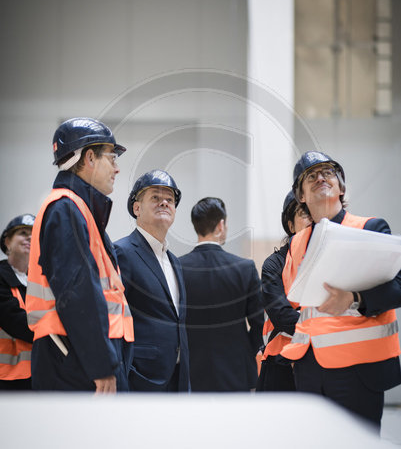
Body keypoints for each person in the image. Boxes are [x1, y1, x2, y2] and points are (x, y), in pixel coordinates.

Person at [279, 151, 401, 428]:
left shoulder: (369, 228)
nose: (320, 177)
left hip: (359, 368)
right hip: (309, 368)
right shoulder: (297, 243)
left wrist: (355, 299)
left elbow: (398, 286)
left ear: (342, 187)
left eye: (328, 172)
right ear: (301, 196)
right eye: (310, 176)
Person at [26, 118, 134, 392]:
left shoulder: (78, 211)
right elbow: (78, 293)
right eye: (111, 158)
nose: (117, 168)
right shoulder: (66, 210)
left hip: (78, 357)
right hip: (75, 363)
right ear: (89, 158)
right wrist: (101, 366)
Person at [114, 169, 190, 392]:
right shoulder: (121, 252)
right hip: (140, 376)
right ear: (137, 208)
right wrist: (122, 372)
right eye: (155, 198)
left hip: (178, 376)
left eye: (170, 200)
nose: (164, 203)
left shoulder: (174, 261)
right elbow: (114, 317)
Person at [179, 197, 264, 392]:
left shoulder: (177, 267)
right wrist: (244, 351)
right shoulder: (244, 268)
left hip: (191, 371)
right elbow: (259, 323)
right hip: (237, 370)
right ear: (221, 225)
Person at [257, 191, 310, 391]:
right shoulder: (275, 264)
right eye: (304, 213)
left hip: (323, 362)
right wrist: (321, 325)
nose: (312, 219)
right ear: (290, 225)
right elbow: (281, 315)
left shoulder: (329, 258)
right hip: (281, 363)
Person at [0, 214, 35, 390]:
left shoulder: (43, 281)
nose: (29, 237)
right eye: (22, 232)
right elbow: (14, 321)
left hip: (37, 375)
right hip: (6, 378)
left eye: (34, 234)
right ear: (7, 242)